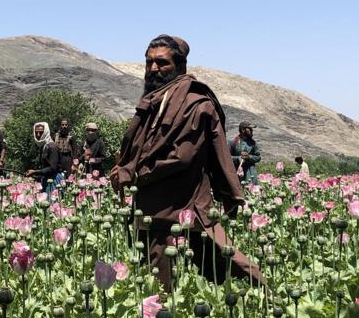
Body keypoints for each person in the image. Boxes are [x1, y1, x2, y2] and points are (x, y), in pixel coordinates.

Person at [111, 34, 263, 291]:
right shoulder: (156, 99)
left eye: (162, 63)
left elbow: (181, 156)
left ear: (180, 66)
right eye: (149, 63)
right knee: (161, 275)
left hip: (184, 202)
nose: (153, 69)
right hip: (152, 205)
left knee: (221, 259)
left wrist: (134, 174)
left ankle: (269, 299)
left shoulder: (195, 104)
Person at [26, 122, 63, 194]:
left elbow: (53, 168)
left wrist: (36, 171)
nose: (38, 135)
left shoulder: (52, 147)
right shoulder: (43, 146)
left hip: (53, 180)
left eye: (41, 132)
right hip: (46, 178)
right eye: (36, 132)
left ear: (46, 132)